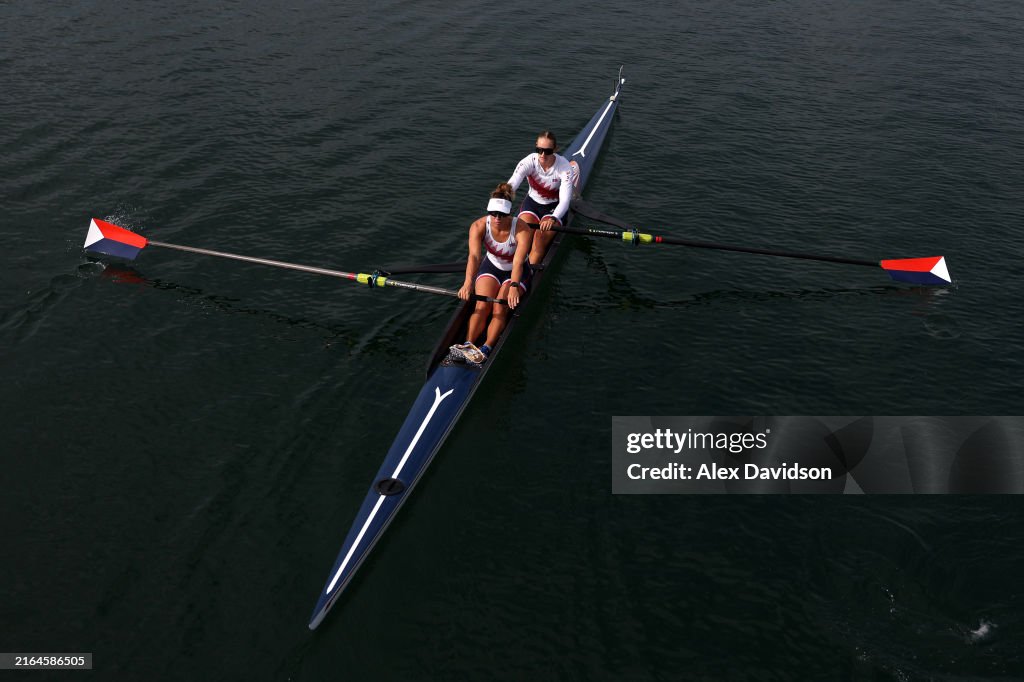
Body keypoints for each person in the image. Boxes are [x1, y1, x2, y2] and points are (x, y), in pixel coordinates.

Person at [450, 183, 533, 364]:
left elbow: (518, 262)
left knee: (499, 308)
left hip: (516, 272)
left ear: (510, 213)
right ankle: (468, 345)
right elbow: (473, 256)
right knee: (481, 306)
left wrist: (514, 286)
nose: (496, 218)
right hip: (492, 267)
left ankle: (486, 348)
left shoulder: (522, 229)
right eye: (493, 213)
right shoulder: (478, 226)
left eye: (501, 214)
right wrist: (467, 283)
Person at [507, 130, 577, 264]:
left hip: (554, 208)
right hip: (532, 204)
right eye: (539, 150)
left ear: (555, 149)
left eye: (548, 151)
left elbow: (565, 201)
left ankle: (528, 276)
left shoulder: (564, 167)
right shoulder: (529, 161)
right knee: (521, 234)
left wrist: (553, 218)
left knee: (539, 238)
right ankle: (511, 269)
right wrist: (502, 199)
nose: (543, 155)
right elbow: (513, 183)